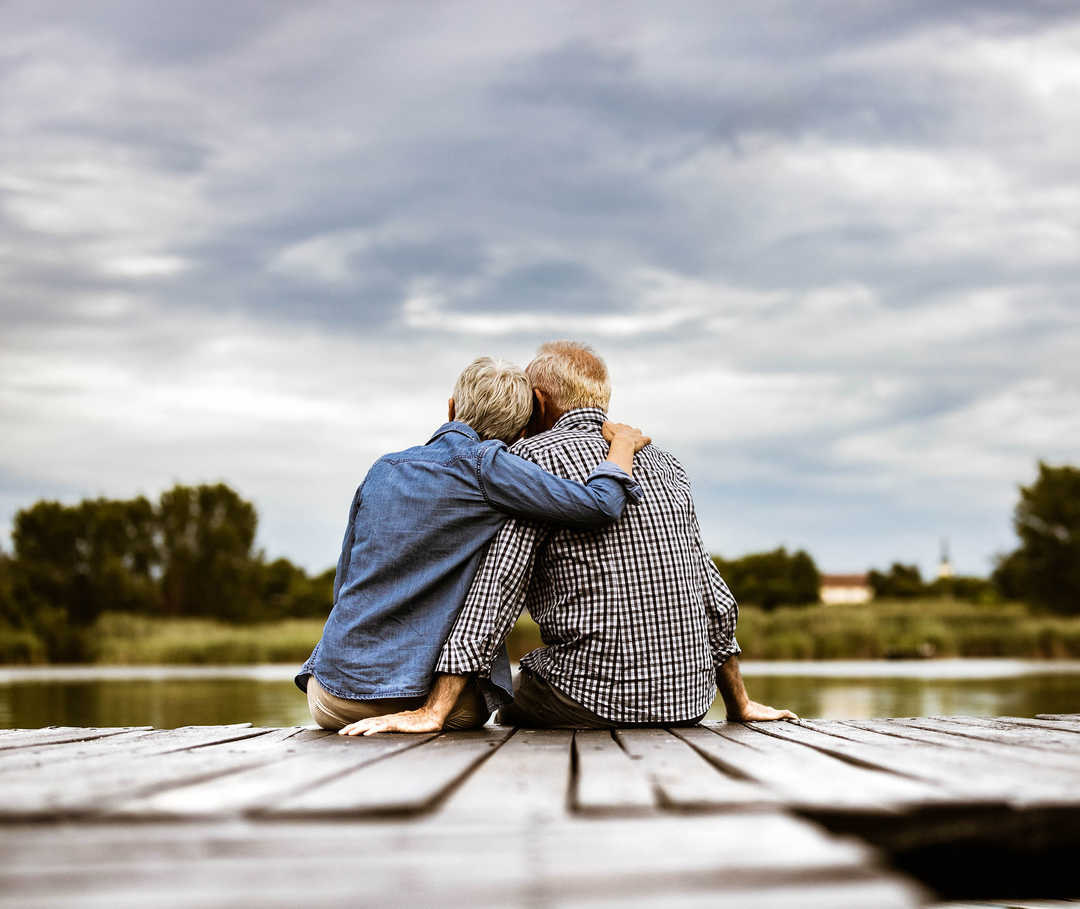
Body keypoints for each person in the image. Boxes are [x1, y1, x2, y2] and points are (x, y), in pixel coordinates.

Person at [341, 341, 796, 735]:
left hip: (589, 697)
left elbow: (497, 590)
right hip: (687, 703)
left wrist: (433, 710)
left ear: (537, 403)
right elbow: (711, 589)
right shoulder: (664, 462)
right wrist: (739, 703)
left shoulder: (527, 459)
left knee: (505, 693)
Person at [295, 355, 649, 731]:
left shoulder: (383, 468)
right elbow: (600, 504)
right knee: (495, 703)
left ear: (451, 408)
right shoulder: (492, 468)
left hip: (332, 696)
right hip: (423, 700)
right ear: (522, 432)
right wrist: (622, 447)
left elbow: (344, 584)